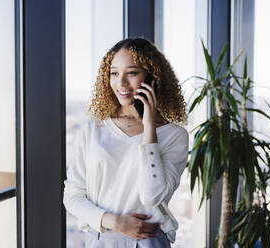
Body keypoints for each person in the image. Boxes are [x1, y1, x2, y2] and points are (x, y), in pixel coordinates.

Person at [63, 38, 188, 247]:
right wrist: (115, 222)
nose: (121, 83)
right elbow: (72, 196)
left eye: (131, 73)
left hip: (148, 242)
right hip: (100, 239)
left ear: (152, 77)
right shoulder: (93, 129)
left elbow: (152, 196)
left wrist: (149, 128)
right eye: (114, 73)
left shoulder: (174, 135)